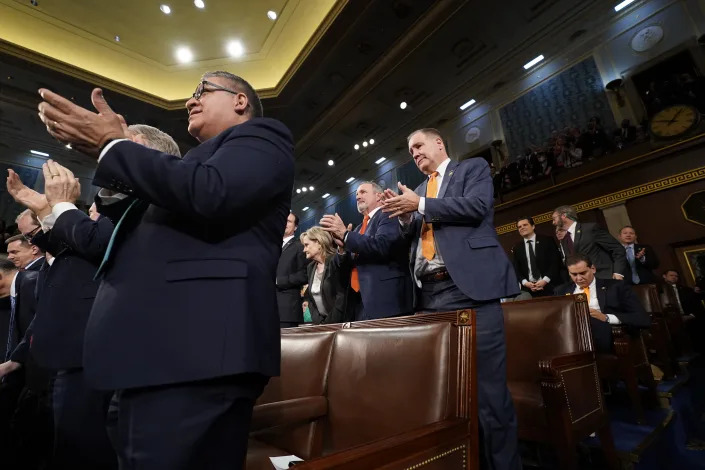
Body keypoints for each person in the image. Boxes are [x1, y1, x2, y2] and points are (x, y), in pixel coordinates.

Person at [36, 70, 294, 469]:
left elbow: (211, 192)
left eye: (202, 91)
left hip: (199, 349)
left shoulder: (262, 135)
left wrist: (113, 147)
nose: (190, 101)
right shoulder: (192, 163)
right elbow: (127, 228)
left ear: (240, 101)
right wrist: (118, 160)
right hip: (156, 355)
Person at [3, 124, 181, 469]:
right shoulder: (120, 201)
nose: (106, 152)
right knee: (69, 449)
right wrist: (44, 208)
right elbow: (80, 253)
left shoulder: (154, 201)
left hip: (99, 352)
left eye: (119, 143)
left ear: (143, 150)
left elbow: (101, 246)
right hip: (76, 350)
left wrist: (62, 207)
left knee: (86, 453)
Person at [381, 128, 521, 470]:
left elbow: (476, 207)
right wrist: (405, 217)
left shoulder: (470, 169)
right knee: (448, 394)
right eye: (409, 151)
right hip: (428, 295)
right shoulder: (416, 191)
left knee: (490, 395)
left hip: (469, 291)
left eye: (418, 145)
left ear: (439, 142)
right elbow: (414, 237)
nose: (414, 154)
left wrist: (422, 205)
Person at [320, 181, 413, 320]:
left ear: (379, 196)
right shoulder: (357, 229)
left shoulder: (389, 215)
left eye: (363, 192)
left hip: (387, 301)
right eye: (357, 194)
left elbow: (383, 246)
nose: (357, 197)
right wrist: (341, 248)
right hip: (359, 303)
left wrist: (346, 235)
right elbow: (346, 269)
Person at [554, 254, 651, 353]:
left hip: (602, 332)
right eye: (574, 274)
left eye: (583, 273)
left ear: (593, 269)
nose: (579, 278)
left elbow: (642, 318)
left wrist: (606, 317)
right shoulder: (561, 291)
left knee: (592, 322)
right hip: (570, 334)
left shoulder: (616, 286)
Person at [552, 205, 629, 280]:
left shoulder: (590, 229)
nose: (553, 222)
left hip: (603, 277)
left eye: (554, 218)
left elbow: (617, 249)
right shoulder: (564, 239)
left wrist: (618, 272)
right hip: (582, 281)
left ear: (563, 216)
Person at [300, 227, 348, 324]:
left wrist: (330, 323)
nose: (304, 250)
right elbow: (310, 298)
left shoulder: (334, 261)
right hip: (321, 324)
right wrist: (319, 321)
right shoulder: (310, 267)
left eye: (306, 245)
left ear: (319, 243)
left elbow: (341, 296)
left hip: (340, 322)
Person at [512, 217, 563, 297]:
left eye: (525, 225)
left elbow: (555, 262)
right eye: (519, 227)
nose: (522, 228)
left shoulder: (547, 240)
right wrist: (525, 283)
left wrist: (545, 280)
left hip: (551, 287)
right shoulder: (517, 248)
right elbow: (516, 269)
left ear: (533, 226)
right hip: (529, 291)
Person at [276, 213, 309, 328]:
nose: (285, 223)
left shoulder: (300, 247)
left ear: (295, 227)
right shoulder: (272, 246)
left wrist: (279, 281)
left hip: (287, 311)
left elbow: (305, 274)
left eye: (289, 221)